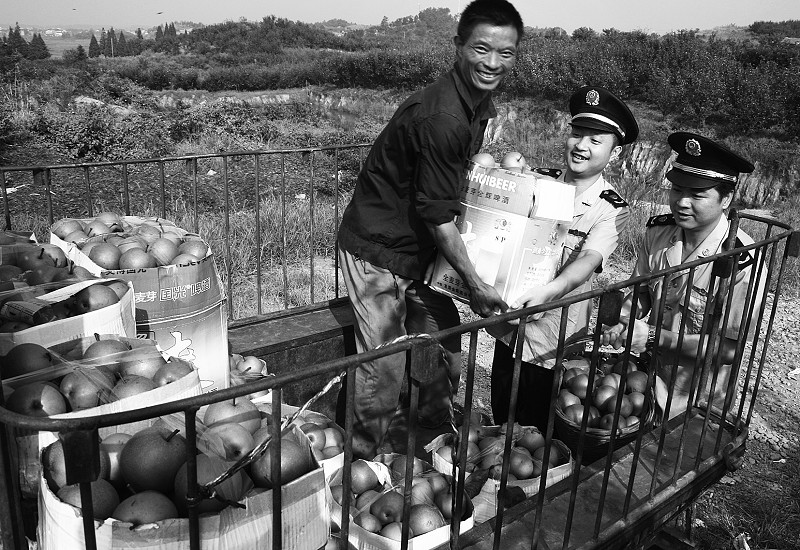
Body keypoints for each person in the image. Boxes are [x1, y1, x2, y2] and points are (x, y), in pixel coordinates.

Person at [336, 0, 523, 459]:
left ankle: (432, 440)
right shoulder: (443, 117)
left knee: (442, 338)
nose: (493, 63)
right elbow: (439, 216)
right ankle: (358, 466)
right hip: (378, 248)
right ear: (458, 46)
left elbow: (451, 186)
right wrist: (476, 285)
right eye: (481, 49)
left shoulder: (478, 105)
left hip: (419, 250)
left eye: (506, 53)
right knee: (383, 362)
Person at [489, 85, 638, 431]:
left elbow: (588, 259)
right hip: (510, 320)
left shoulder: (610, 208)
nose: (581, 146)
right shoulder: (538, 181)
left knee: (540, 427)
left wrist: (550, 291)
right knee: (502, 412)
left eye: (595, 140)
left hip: (554, 336)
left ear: (614, 153)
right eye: (577, 134)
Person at [602, 132, 759, 419]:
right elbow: (642, 292)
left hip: (697, 399)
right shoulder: (659, 233)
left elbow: (728, 350)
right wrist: (625, 319)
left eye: (697, 195)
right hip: (647, 380)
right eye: (676, 189)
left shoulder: (741, 261)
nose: (682, 202)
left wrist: (653, 337)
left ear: (726, 199)